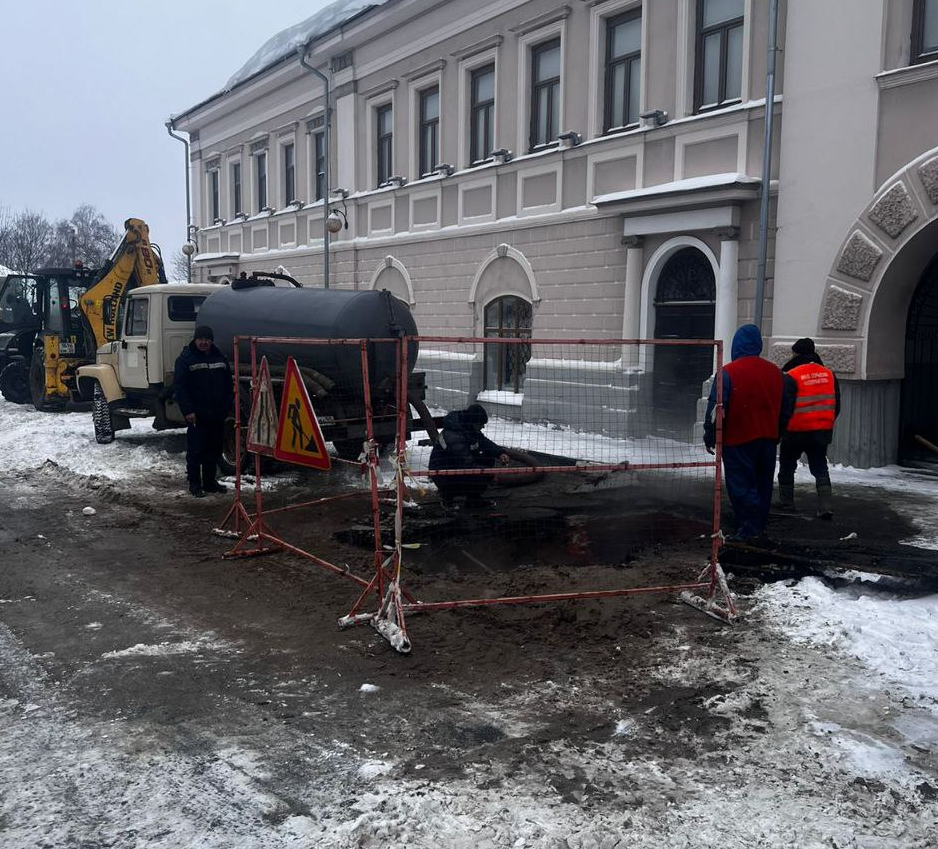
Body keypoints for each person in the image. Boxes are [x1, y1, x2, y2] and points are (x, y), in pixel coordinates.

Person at [703, 324, 796, 543]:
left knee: (742, 484)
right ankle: (758, 525)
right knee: (763, 484)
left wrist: (711, 435)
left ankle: (749, 529)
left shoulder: (727, 373)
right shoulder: (778, 374)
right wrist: (778, 432)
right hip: (768, 440)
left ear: (736, 345)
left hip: (737, 439)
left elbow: (716, 409)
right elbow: (786, 407)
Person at [776, 337, 840, 519]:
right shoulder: (829, 374)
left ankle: (786, 502)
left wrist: (781, 429)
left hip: (795, 431)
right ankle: (825, 506)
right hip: (820, 432)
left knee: (787, 466)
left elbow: (785, 406)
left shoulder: (792, 375)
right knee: (820, 467)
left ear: (797, 353)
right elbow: (837, 405)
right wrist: (825, 422)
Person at [173, 325, 233, 497]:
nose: (204, 342)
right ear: (195, 339)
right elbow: (180, 387)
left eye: (207, 339)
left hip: (216, 413)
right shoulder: (186, 359)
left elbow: (228, 384)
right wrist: (188, 411)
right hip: (196, 415)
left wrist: (227, 406)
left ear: (211, 340)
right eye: (201, 339)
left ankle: (209, 482)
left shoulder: (220, 357)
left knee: (213, 449)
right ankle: (194, 483)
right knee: (196, 450)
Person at [429, 403, 510, 509]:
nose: (483, 427)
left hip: (456, 468)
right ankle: (447, 498)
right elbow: (466, 464)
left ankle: (473, 499)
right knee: (479, 471)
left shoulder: (468, 428)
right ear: (474, 422)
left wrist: (500, 453)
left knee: (487, 458)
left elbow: (483, 442)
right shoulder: (453, 435)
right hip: (443, 474)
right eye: (481, 424)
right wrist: (489, 474)